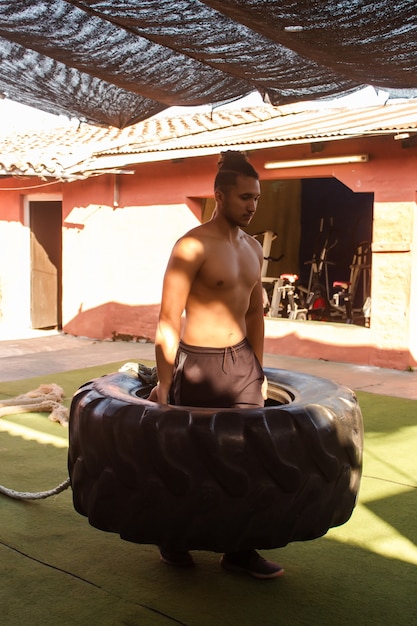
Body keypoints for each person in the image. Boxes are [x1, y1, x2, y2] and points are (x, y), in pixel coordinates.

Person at [150, 150, 284, 579]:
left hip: (243, 364)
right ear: (220, 195)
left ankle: (240, 551)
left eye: (256, 198)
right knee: (194, 459)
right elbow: (168, 319)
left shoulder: (252, 248)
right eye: (245, 197)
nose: (252, 205)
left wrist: (258, 373)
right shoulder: (192, 245)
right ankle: (175, 537)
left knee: (248, 459)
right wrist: (166, 383)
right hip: (198, 366)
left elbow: (254, 315)